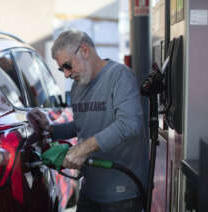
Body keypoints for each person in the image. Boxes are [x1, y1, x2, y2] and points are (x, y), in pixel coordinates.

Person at [27, 30, 148, 212]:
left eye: (67, 65)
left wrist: (83, 148)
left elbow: (129, 124)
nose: (66, 74)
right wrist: (51, 130)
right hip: (90, 189)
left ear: (84, 50)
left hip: (122, 193)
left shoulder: (120, 76)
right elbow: (83, 125)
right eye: (62, 69)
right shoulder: (78, 86)